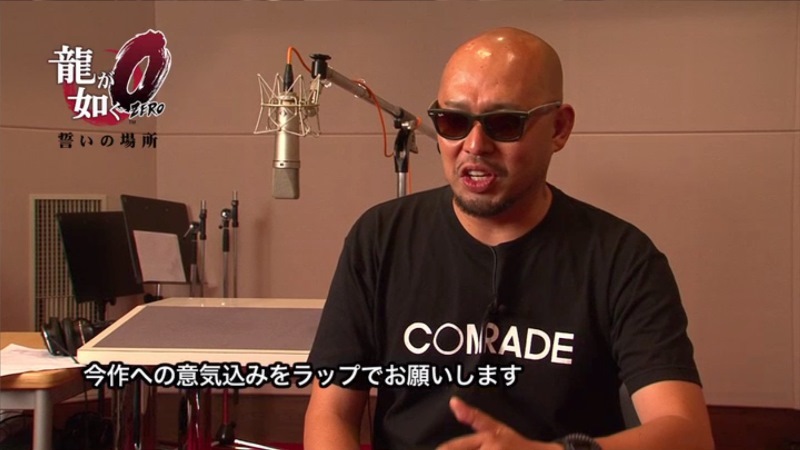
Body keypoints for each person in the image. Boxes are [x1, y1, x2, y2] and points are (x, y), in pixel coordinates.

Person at [304, 27, 715, 450]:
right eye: (453, 122)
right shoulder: (379, 238)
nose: (474, 145)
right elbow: (330, 413)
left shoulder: (622, 259)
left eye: (503, 123)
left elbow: (688, 434)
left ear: (559, 128)